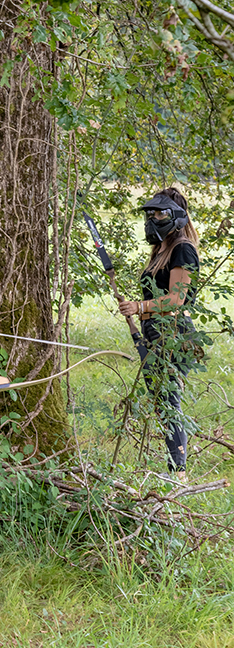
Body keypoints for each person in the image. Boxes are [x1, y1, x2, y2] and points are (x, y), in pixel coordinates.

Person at [118, 187, 200, 481]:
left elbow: (177, 299)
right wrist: (139, 312)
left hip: (173, 332)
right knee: (160, 400)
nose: (153, 218)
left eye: (160, 212)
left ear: (175, 215)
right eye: (151, 213)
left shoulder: (182, 248)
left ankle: (178, 472)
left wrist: (139, 306)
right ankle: (173, 465)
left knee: (169, 400)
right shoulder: (161, 249)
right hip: (154, 330)